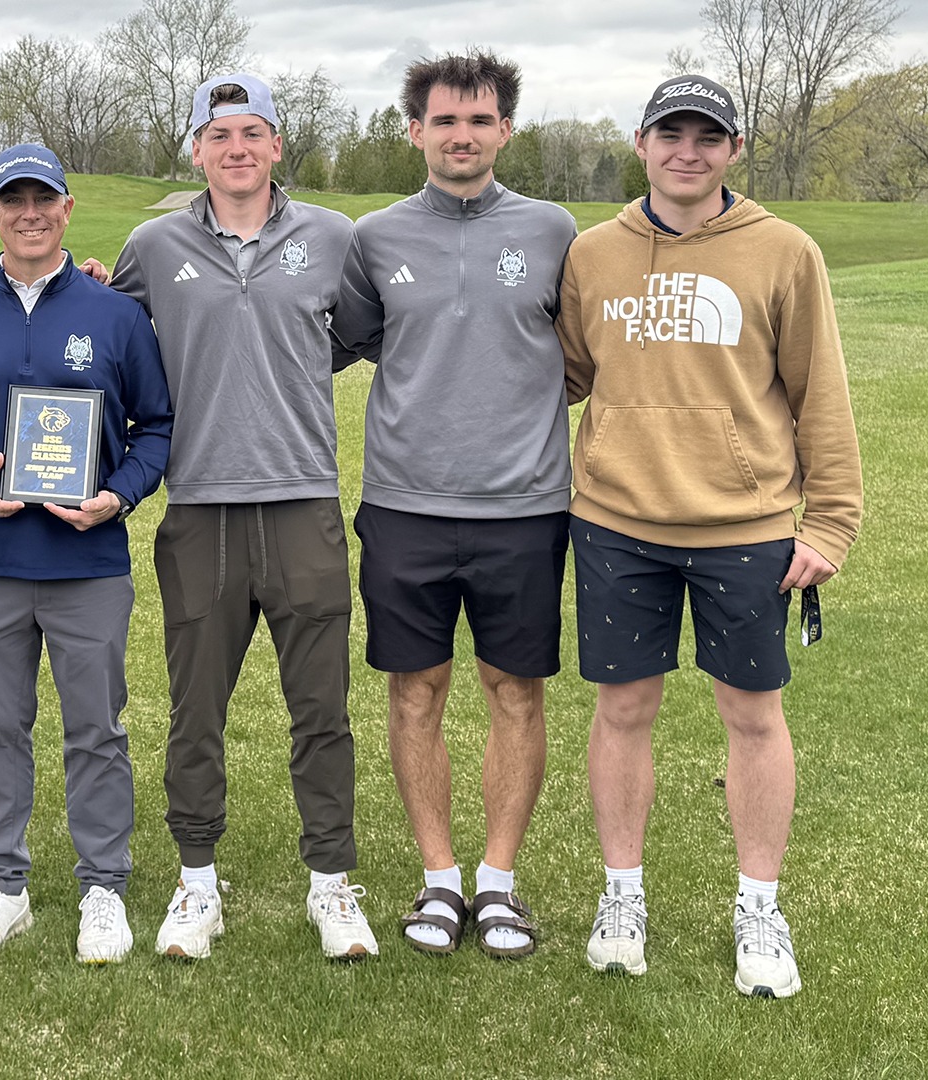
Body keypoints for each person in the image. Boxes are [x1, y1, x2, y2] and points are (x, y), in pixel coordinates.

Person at [557, 74, 862, 998]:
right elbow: (566, 377)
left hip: (747, 529)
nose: (687, 151)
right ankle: (622, 896)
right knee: (622, 713)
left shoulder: (784, 252)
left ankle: (760, 907)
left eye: (708, 136)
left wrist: (832, 525)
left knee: (754, 715)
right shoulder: (593, 255)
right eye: (670, 133)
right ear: (642, 143)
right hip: (615, 523)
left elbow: (821, 395)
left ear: (733, 150)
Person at [109, 72, 376, 960]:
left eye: (253, 133)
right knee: (195, 713)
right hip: (199, 511)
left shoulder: (334, 238)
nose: (237, 149)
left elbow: (355, 335)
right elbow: (114, 343)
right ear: (196, 149)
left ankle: (332, 886)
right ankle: (196, 884)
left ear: (276, 145)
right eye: (220, 135)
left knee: (322, 711)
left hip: (302, 504)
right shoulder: (153, 244)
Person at [333, 51, 578, 959]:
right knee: (415, 690)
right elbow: (327, 343)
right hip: (405, 505)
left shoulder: (554, 230)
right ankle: (440, 882)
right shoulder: (376, 238)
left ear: (505, 129)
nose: (462, 136)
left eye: (479, 121)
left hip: (524, 506)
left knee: (516, 691)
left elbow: (586, 358)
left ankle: (499, 884)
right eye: (444, 121)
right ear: (415, 132)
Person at [0, 143, 172, 965]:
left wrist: (117, 496)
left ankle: (103, 889)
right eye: (12, 200)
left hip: (88, 565)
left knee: (96, 729)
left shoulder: (115, 314)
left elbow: (155, 429)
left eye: (43, 199)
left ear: (66, 208)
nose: (29, 213)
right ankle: (3, 888)